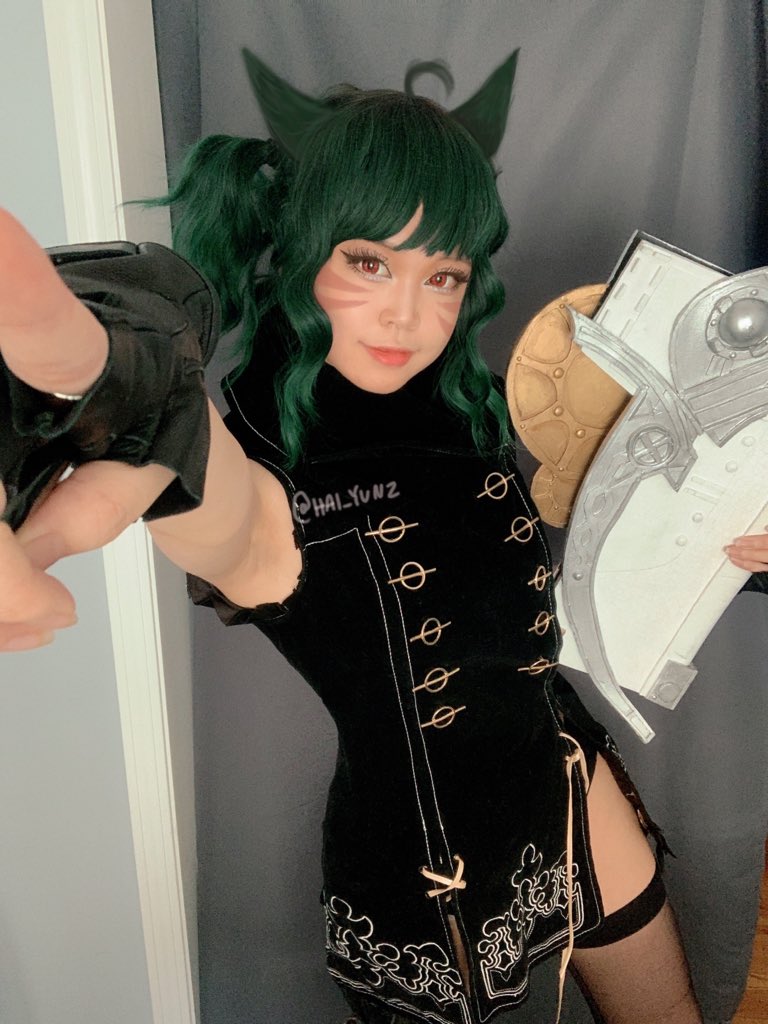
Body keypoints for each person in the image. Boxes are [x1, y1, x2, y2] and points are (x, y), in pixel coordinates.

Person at [5, 50, 763, 1024]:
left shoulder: (462, 403)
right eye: (369, 262)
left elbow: (583, 538)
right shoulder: (264, 460)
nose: (408, 313)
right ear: (305, 250)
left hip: (570, 784)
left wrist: (733, 530)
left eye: (442, 275)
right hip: (433, 875)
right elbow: (213, 497)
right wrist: (124, 377)